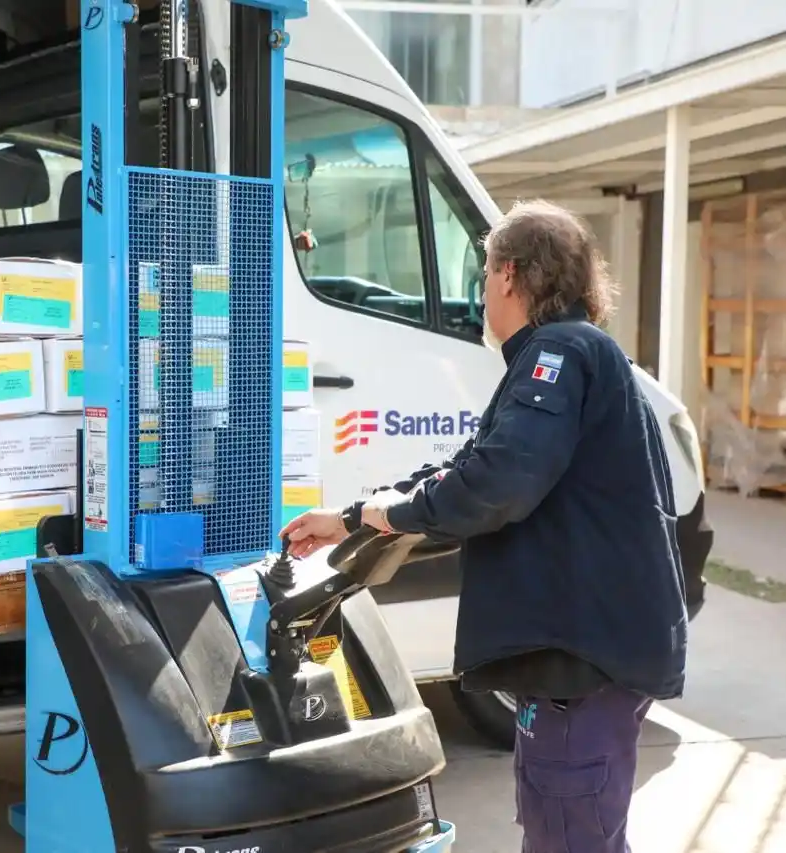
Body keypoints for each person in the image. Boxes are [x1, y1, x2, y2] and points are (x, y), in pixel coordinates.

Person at [280, 200, 688, 853]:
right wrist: (356, 515)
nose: (481, 295)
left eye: (483, 276)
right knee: (569, 830)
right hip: (579, 660)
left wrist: (388, 514)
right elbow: (470, 468)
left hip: (580, 664)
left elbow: (497, 484)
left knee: (567, 837)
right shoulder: (569, 353)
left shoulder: (557, 352)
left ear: (507, 275)